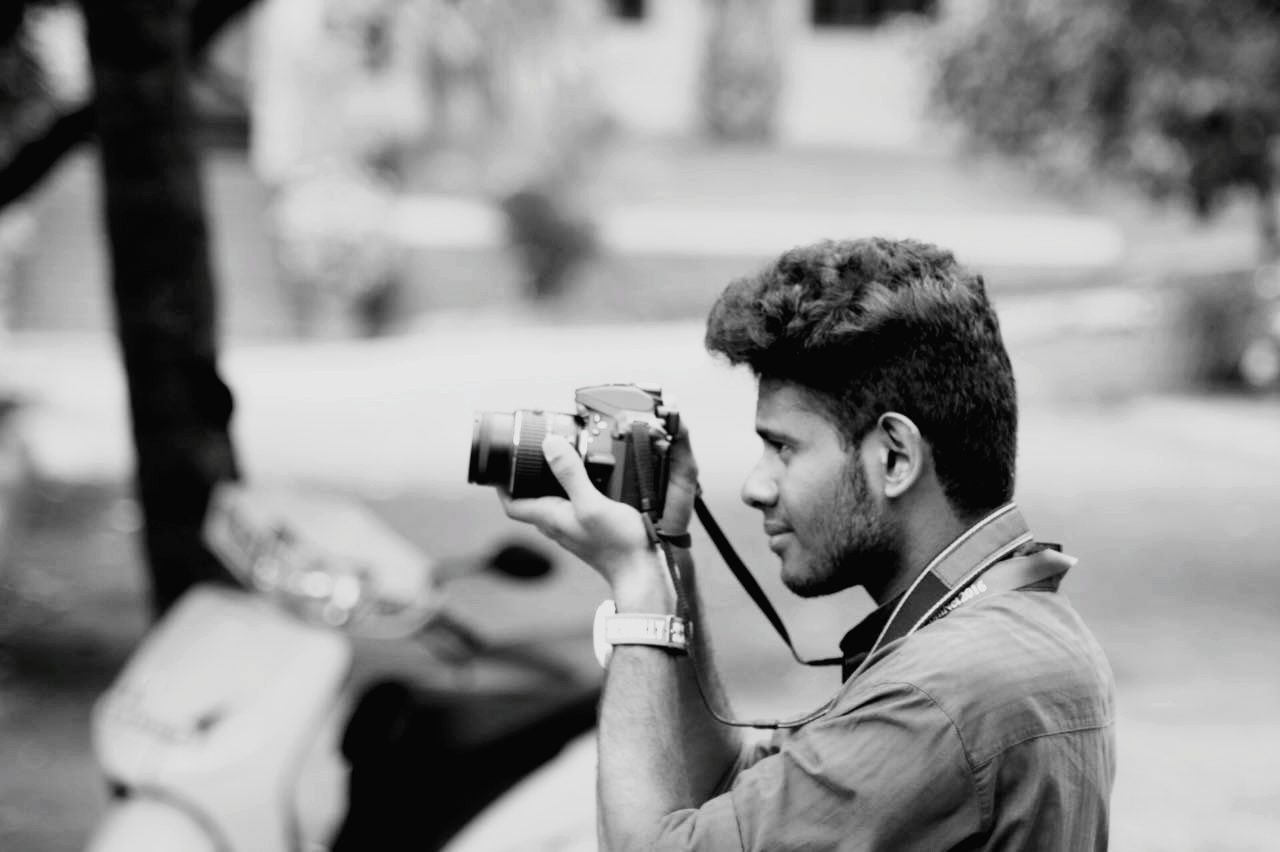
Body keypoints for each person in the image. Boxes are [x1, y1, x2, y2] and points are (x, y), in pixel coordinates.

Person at [501, 236, 1116, 851]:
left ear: (895, 458)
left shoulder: (939, 698)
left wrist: (638, 593)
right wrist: (667, 550)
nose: (754, 486)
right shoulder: (1015, 627)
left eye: (784, 447)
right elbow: (726, 800)